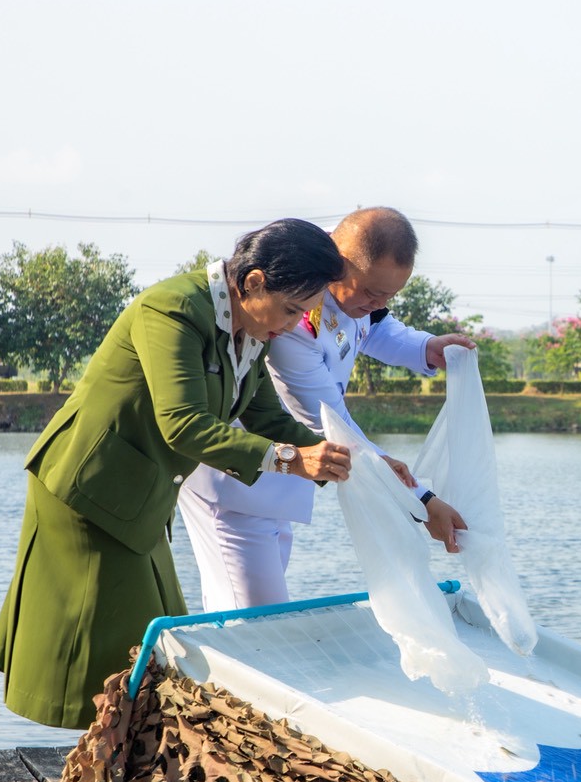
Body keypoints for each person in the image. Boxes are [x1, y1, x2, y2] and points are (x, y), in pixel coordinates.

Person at [0, 219, 354, 729]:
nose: (293, 326)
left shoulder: (252, 328)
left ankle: (112, 764)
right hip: (88, 492)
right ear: (253, 283)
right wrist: (292, 460)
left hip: (138, 498)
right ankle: (99, 766)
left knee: (151, 652)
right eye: (291, 310)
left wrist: (349, 461)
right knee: (116, 656)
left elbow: (268, 417)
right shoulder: (173, 309)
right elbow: (182, 423)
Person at [177, 207, 474, 612]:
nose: (377, 304)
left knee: (260, 615)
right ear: (339, 261)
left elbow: (372, 328)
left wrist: (424, 347)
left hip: (284, 479)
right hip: (238, 482)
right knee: (254, 620)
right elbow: (330, 422)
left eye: (389, 296)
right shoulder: (294, 319)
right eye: (370, 292)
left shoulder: (355, 293)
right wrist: (422, 500)